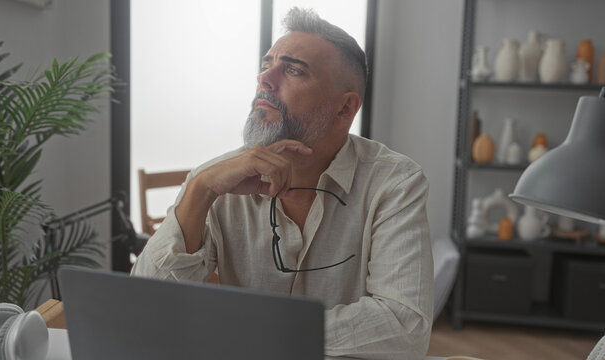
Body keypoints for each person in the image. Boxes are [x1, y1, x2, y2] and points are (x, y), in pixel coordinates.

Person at [131, 7, 433, 359]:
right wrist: (199, 191)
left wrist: (252, 331)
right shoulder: (216, 180)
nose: (265, 79)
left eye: (292, 70)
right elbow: (144, 307)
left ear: (344, 109)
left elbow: (404, 330)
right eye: (266, 64)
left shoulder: (394, 183)